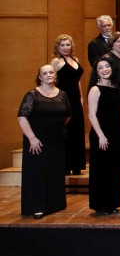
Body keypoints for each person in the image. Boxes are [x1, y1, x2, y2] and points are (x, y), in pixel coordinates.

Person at [17, 64, 70, 218]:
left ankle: (55, 204)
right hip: (37, 140)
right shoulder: (32, 95)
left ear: (55, 75)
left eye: (51, 72)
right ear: (40, 77)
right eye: (45, 73)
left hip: (56, 140)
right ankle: (37, 205)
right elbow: (22, 117)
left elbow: (68, 115)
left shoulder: (62, 95)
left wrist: (56, 128)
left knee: (54, 171)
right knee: (39, 172)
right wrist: (32, 138)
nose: (48, 75)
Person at [86, 58, 120, 214]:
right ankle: (101, 205)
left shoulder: (116, 87)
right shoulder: (95, 90)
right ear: (96, 72)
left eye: (107, 66)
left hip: (116, 132)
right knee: (101, 169)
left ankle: (112, 203)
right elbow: (91, 115)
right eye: (101, 68)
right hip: (101, 133)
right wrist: (101, 136)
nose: (105, 70)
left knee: (114, 169)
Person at [51, 35, 85, 176]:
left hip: (76, 100)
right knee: (67, 131)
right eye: (62, 45)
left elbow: (77, 81)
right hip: (63, 99)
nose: (65, 48)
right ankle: (65, 166)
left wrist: (81, 97)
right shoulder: (56, 61)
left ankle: (76, 165)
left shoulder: (75, 59)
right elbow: (51, 81)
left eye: (68, 45)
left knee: (77, 130)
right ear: (58, 47)